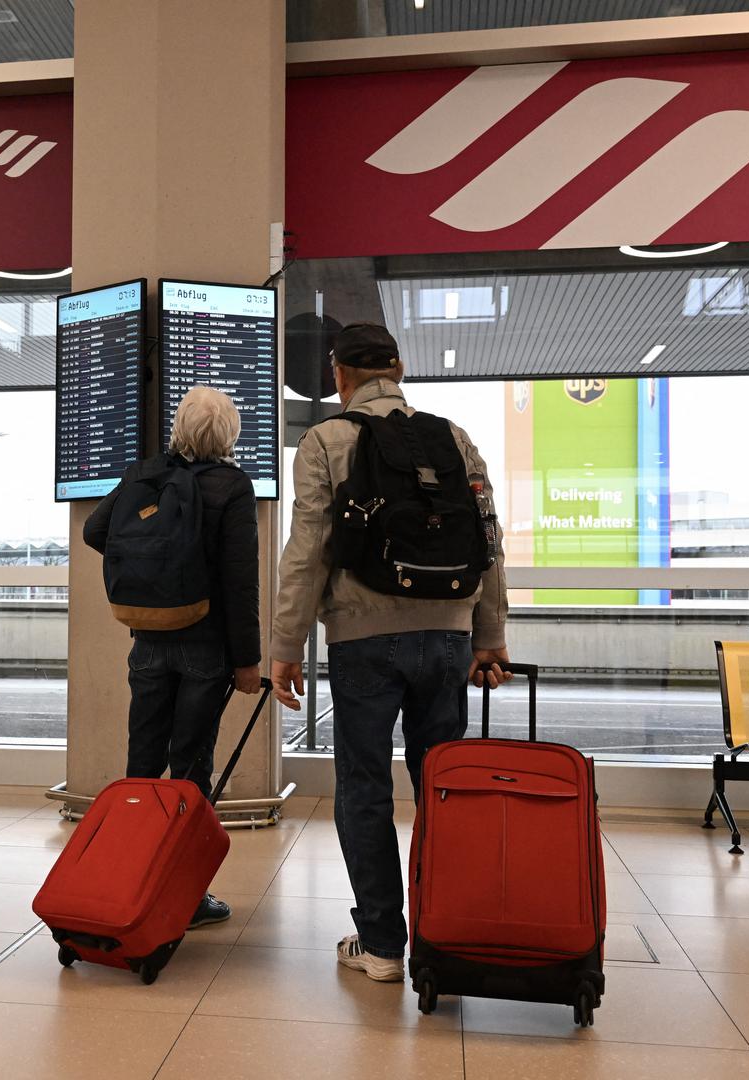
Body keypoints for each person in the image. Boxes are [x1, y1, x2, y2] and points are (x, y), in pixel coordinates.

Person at [269, 322, 510, 982]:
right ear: (398, 369)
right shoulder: (454, 438)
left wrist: (285, 645)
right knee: (445, 786)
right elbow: (488, 539)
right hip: (450, 635)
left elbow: (307, 553)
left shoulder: (325, 440)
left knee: (365, 787)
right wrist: (488, 634)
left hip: (363, 635)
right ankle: (446, 931)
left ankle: (380, 945)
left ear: (338, 375)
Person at [84, 385, 261, 930]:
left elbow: (95, 531)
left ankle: (126, 881)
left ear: (180, 428)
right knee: (190, 770)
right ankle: (184, 894)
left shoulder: (144, 474)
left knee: (141, 767)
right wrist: (247, 661)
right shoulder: (232, 486)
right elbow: (239, 582)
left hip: (148, 642)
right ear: (228, 434)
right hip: (205, 646)